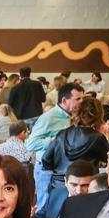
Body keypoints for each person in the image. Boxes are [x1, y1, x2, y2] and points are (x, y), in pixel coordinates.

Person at [37, 98, 109, 218]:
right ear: (99, 115)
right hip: (85, 187)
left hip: (58, 186)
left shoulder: (62, 134)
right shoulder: (98, 138)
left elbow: (46, 160)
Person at [27, 83, 84, 211]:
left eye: (82, 98)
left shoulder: (73, 116)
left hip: (63, 170)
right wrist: (54, 140)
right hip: (47, 171)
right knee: (46, 208)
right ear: (64, 100)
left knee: (60, 207)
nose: (82, 102)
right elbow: (31, 144)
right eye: (78, 99)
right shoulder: (48, 118)